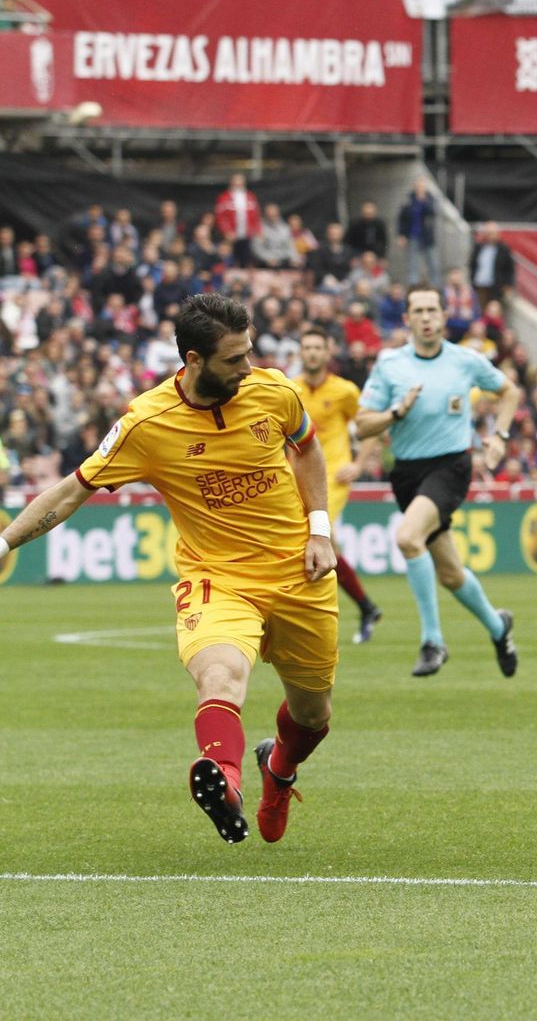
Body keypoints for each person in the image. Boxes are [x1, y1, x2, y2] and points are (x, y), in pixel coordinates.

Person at [0, 293, 346, 845]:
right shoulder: (146, 423)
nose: (248, 367)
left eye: (249, 352)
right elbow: (69, 493)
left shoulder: (275, 391)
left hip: (296, 574)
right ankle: (225, 780)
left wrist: (320, 529)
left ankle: (278, 769)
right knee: (220, 676)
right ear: (194, 360)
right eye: (234, 359)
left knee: (312, 715)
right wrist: (3, 543)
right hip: (217, 578)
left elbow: (306, 448)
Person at [355, 285, 523, 679]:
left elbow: (509, 391)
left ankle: (433, 641)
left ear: (445, 316)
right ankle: (499, 627)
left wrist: (499, 437)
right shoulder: (390, 364)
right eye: (419, 311)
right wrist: (396, 413)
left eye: (433, 310)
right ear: (407, 319)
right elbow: (363, 425)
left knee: (407, 538)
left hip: (450, 467)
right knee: (450, 573)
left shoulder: (465, 360)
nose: (427, 317)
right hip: (406, 474)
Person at [294, 327, 385, 643]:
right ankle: (366, 606)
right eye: (307, 347)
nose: (312, 353)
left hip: (333, 477)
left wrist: (358, 464)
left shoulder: (345, 391)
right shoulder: (291, 390)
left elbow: (371, 427)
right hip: (297, 476)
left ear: (328, 352)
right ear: (300, 352)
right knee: (323, 544)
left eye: (317, 347)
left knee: (317, 533)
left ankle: (313, 618)